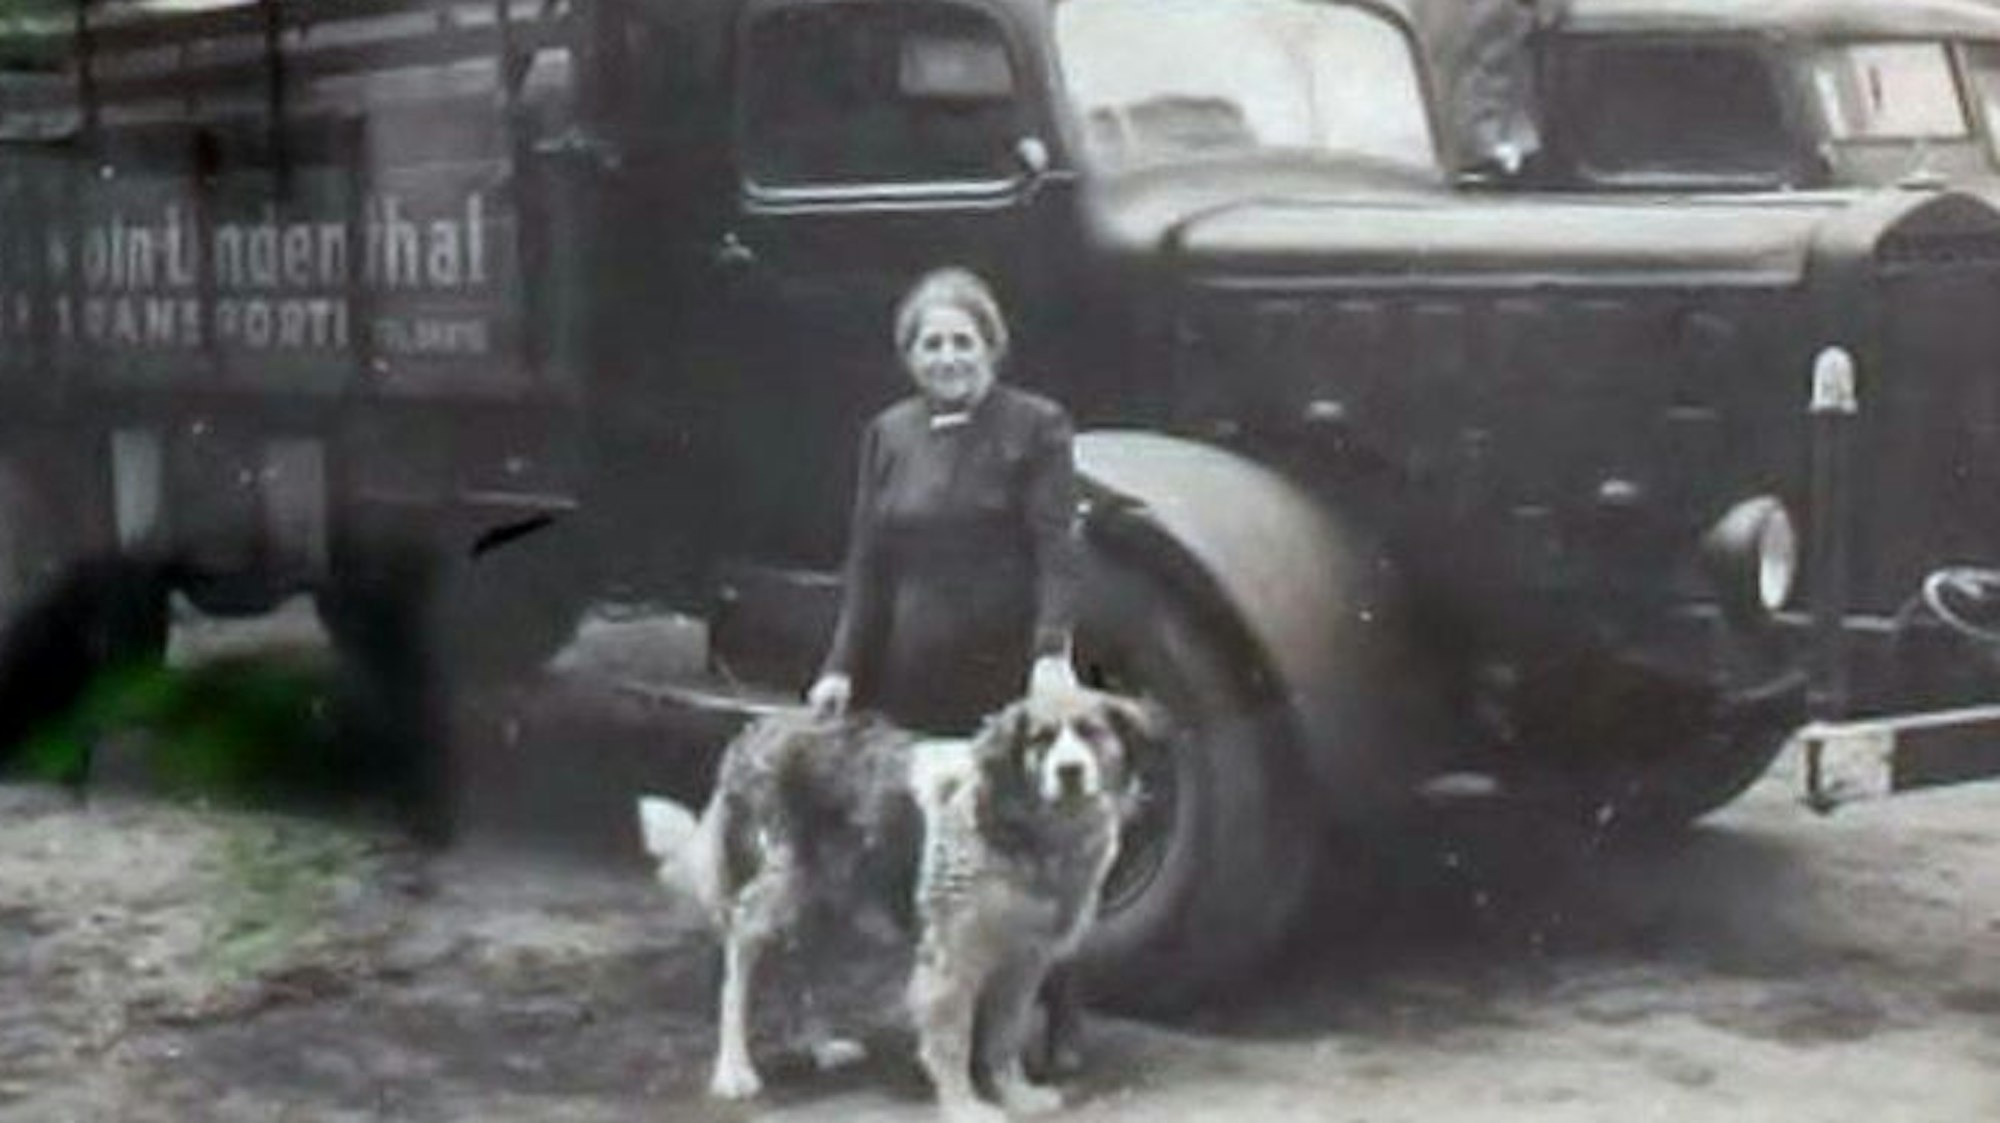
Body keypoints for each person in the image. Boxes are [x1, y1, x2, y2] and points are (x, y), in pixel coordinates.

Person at [807, 267, 1079, 733]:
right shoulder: (888, 433)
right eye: (931, 345)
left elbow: (1056, 553)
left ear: (990, 348)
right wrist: (839, 668)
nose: (948, 358)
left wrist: (1052, 654)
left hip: (1003, 676)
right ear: (910, 357)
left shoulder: (1037, 425)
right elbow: (868, 564)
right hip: (905, 676)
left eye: (963, 342)